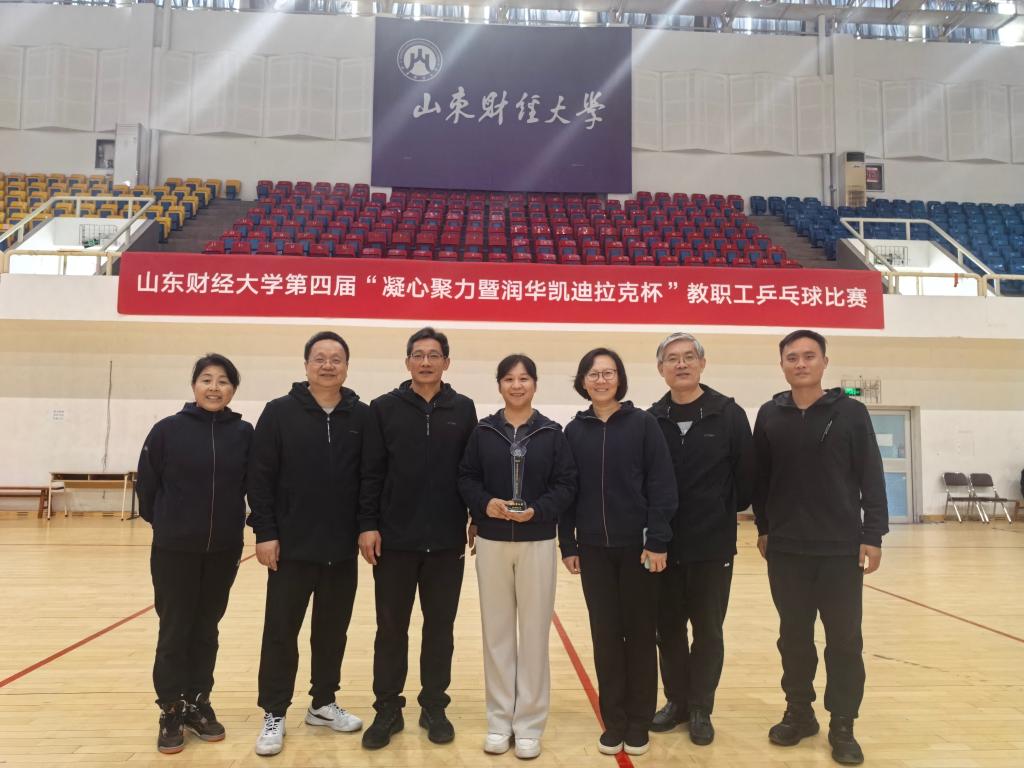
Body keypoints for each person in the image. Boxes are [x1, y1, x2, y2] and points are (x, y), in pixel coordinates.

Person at [753, 329, 888, 766]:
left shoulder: (851, 412)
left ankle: (843, 723)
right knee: (793, 638)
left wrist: (873, 534)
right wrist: (765, 527)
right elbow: (761, 479)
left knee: (844, 641)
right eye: (792, 357)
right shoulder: (769, 414)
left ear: (824, 362)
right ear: (782, 365)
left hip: (840, 549)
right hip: (786, 550)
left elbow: (871, 475)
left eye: (809, 356)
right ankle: (799, 712)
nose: (801, 363)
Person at [247, 331, 369, 757]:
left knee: (332, 631)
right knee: (281, 632)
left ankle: (322, 703)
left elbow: (369, 478)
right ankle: (274, 710)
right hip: (290, 549)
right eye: (320, 358)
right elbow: (260, 477)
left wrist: (366, 526)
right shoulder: (279, 412)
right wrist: (265, 532)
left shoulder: (361, 416)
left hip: (341, 550)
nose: (328, 365)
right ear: (306, 366)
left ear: (347, 367)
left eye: (336, 359)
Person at [358, 327, 478, 749]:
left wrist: (476, 517)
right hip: (394, 541)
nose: (426, 362)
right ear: (407, 361)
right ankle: (387, 709)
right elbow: (371, 472)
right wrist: (368, 524)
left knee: (440, 628)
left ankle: (434, 706)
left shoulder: (463, 408)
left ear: (447, 362)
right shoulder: (383, 408)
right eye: (418, 355)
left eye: (434, 355)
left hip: (446, 541)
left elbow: (471, 470)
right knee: (391, 628)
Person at [458, 354, 577, 760]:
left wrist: (538, 511)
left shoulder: (552, 433)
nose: (516, 385)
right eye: (509, 379)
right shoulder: (483, 432)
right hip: (492, 542)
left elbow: (566, 484)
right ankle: (498, 721)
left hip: (538, 542)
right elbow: (466, 478)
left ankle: (528, 725)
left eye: (524, 378)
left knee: (534, 635)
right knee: (497, 635)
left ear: (535, 384)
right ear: (499, 385)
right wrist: (485, 504)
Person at [560, 347, 677, 758]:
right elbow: (567, 491)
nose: (601, 380)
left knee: (641, 636)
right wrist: (568, 544)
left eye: (608, 373)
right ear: (583, 381)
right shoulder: (574, 431)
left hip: (638, 549)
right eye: (593, 374)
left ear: (620, 379)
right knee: (606, 637)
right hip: (593, 551)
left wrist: (657, 540)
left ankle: (639, 722)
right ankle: (614, 721)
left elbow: (662, 485)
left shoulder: (643, 424)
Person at [137, 353, 253, 755]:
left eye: (223, 381)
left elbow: (254, 483)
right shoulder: (167, 430)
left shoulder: (244, 434)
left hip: (223, 549)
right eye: (207, 379)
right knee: (175, 629)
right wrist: (171, 525)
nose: (214, 387)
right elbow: (147, 489)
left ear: (233, 389)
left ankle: (198, 702)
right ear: (194, 386)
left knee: (206, 628)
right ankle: (171, 708)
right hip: (174, 550)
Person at [648, 332, 753, 745]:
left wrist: (717, 509)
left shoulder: (728, 414)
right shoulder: (652, 418)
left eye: (689, 357)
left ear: (702, 364)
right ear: (661, 369)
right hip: (664, 548)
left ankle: (700, 708)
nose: (681, 364)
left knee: (708, 631)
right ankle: (676, 701)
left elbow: (746, 479)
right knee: (668, 630)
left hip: (712, 546)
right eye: (672, 359)